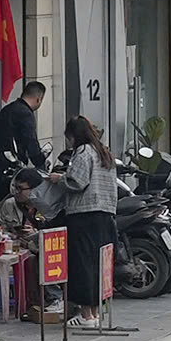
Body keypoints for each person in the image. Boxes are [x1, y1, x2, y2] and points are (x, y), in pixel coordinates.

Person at [55, 115, 120, 322]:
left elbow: (78, 182)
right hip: (105, 214)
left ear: (74, 135)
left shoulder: (83, 152)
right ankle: (95, 313)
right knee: (98, 264)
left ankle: (85, 314)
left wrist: (59, 179)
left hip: (84, 214)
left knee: (82, 264)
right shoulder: (104, 152)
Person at [0, 80, 49, 201]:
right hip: (11, 169)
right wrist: (40, 164)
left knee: (4, 203)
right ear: (39, 99)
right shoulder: (25, 114)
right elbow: (31, 142)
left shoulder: (7, 110)